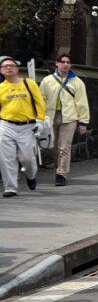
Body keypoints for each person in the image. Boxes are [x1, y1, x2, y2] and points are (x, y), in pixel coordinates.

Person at [39, 54, 90, 186]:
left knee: (64, 147)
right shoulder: (47, 80)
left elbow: (82, 103)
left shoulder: (77, 82)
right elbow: (41, 99)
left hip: (69, 117)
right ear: (57, 63)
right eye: (63, 62)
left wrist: (83, 122)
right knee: (51, 145)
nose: (65, 64)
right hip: (50, 116)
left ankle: (61, 173)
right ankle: (58, 166)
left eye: (68, 62)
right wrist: (39, 118)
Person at [0, 55, 45, 197]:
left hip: (27, 126)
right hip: (6, 125)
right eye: (5, 66)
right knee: (7, 158)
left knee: (27, 158)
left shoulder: (28, 83)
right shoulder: (1, 87)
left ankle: (31, 176)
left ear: (17, 69)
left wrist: (40, 120)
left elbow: (39, 102)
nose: (8, 68)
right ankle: (10, 187)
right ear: (1, 70)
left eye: (11, 66)